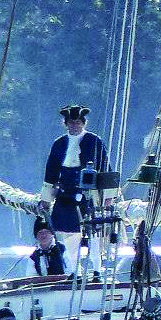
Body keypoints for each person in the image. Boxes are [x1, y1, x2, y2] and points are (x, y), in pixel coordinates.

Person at [39, 104, 109, 274]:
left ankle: (97, 269)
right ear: (66, 124)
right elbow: (51, 173)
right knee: (70, 234)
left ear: (83, 123)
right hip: (66, 193)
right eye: (71, 123)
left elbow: (106, 169)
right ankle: (73, 271)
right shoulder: (59, 144)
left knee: (93, 232)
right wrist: (46, 199)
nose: (75, 126)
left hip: (89, 193)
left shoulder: (94, 141)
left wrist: (108, 197)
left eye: (78, 122)